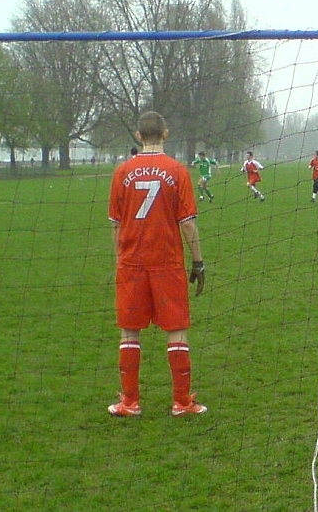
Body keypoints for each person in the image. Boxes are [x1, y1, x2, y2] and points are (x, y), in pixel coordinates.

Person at [107, 111, 208, 418]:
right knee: (176, 330)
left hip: (131, 262)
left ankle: (130, 402)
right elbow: (187, 223)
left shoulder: (122, 172)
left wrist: (119, 260)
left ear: (138, 136)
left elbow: (115, 224)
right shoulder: (177, 171)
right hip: (167, 261)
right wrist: (198, 261)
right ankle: (182, 402)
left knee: (129, 331)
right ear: (165, 134)